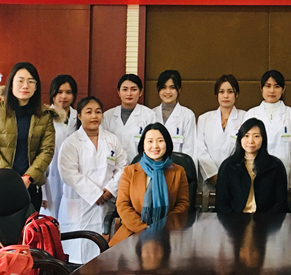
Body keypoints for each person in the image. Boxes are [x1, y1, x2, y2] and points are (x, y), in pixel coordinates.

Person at [0, 62, 56, 212]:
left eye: (31, 81)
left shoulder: (44, 115)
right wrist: (10, 178)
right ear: (11, 84)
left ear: (36, 87)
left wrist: (28, 177)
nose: (25, 86)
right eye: (20, 80)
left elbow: (47, 150)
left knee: (29, 226)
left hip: (30, 185)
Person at [58, 96, 127, 263]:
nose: (94, 116)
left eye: (98, 112)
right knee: (78, 249)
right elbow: (68, 172)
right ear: (79, 116)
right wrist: (95, 194)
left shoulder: (111, 139)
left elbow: (123, 166)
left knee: (102, 251)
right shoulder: (71, 143)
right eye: (88, 112)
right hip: (79, 203)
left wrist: (110, 190)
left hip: (106, 201)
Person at [110, 123, 190, 246]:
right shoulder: (130, 172)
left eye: (160, 141)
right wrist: (143, 229)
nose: (155, 146)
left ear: (167, 143)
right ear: (143, 145)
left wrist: (162, 230)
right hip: (133, 233)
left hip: (168, 235)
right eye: (150, 141)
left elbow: (182, 205)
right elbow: (122, 205)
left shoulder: (178, 172)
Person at [243, 70, 291, 189]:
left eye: (276, 86)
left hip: (283, 174)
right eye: (268, 86)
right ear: (261, 88)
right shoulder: (251, 114)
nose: (272, 90)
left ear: (283, 89)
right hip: (255, 173)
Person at [215, 118, 288, 213]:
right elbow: (221, 203)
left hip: (267, 219)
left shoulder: (275, 165)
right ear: (240, 138)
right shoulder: (228, 166)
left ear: (263, 139)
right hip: (235, 219)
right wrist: (234, 220)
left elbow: (281, 202)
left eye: (256, 136)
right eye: (246, 136)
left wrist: (266, 219)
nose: (251, 141)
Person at [196, 75, 247, 194]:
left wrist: (228, 178)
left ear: (236, 94)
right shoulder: (204, 119)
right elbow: (200, 150)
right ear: (216, 95)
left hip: (236, 179)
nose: (225, 96)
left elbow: (245, 150)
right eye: (221, 92)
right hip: (209, 180)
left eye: (230, 92)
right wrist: (214, 177)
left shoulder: (245, 117)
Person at [102, 74, 161, 163]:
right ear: (119, 92)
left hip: (141, 166)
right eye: (125, 89)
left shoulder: (149, 115)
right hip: (112, 166)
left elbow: (154, 144)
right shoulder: (107, 116)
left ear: (141, 92)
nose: (129, 93)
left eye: (134, 89)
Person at [42, 74, 78, 217]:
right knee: (49, 220)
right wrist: (42, 191)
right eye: (59, 92)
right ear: (52, 94)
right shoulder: (43, 117)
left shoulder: (79, 117)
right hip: (50, 178)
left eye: (68, 92)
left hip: (74, 180)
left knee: (71, 220)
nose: (64, 96)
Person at [153, 70, 196, 164]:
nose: (168, 92)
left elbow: (190, 150)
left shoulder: (187, 115)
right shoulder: (151, 114)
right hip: (154, 167)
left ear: (179, 89)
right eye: (163, 87)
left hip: (179, 168)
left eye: (172, 87)